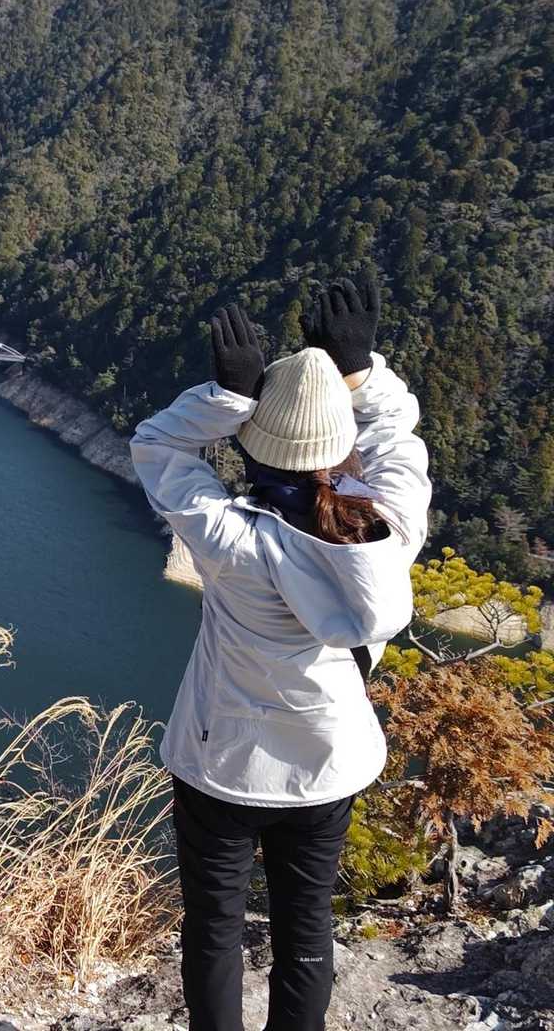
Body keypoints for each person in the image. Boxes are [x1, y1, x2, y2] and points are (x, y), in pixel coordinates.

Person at [129, 275, 431, 1031]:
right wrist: (359, 373)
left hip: (223, 768)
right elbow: (398, 442)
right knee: (306, 927)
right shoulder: (388, 532)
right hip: (328, 769)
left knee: (214, 926)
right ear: (340, 446)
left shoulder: (229, 539)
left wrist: (228, 398)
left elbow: (157, 444)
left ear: (256, 446)